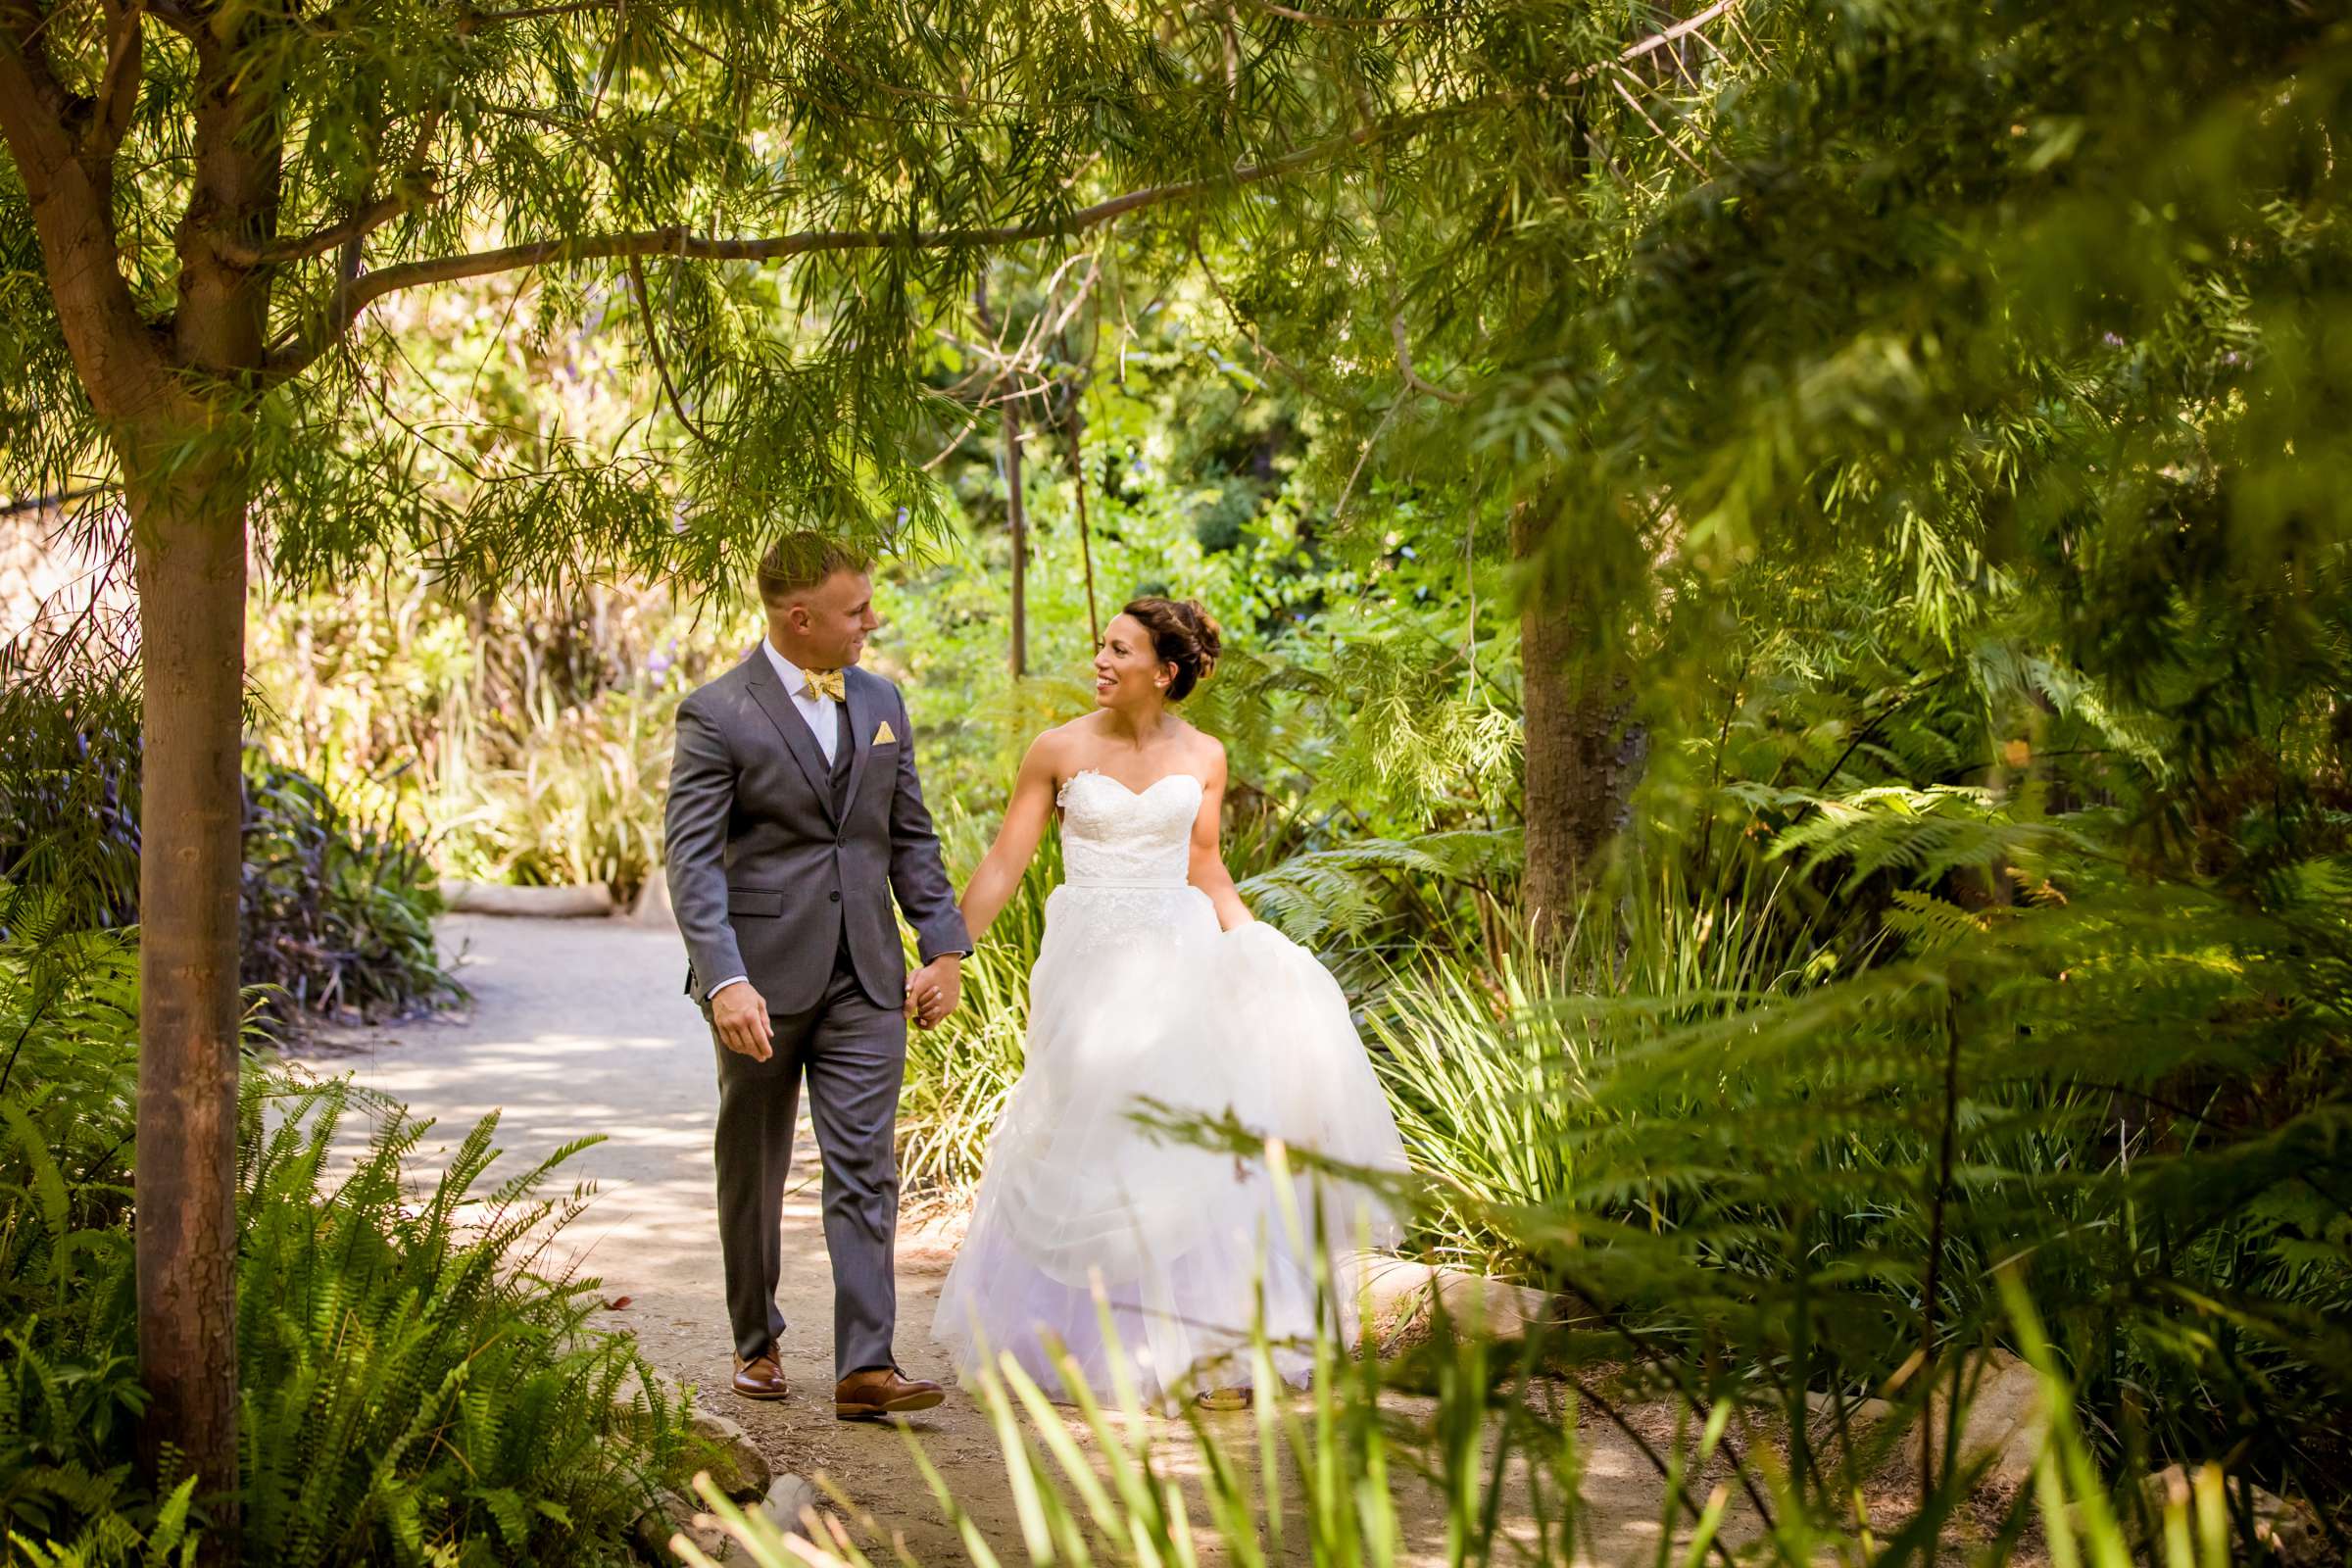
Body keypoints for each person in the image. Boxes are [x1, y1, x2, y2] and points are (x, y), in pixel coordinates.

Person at [931, 596, 1407, 1407]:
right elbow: (1005, 865)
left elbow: (1206, 866)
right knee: (1087, 1137)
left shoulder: (1206, 757)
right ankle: (1070, 1342)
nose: (1102, 662)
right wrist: (950, 955)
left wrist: (1254, 944)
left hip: (1181, 958)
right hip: (1087, 962)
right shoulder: (1058, 749)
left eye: (1120, 650)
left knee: (1182, 1149)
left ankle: (1199, 1349)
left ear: (1166, 671)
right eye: (1102, 647)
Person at [663, 532, 971, 1419]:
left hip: (866, 976)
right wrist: (723, 980)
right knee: (753, 1165)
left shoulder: (882, 701)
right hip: (758, 982)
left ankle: (866, 1366)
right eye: (855, 610)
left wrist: (941, 948)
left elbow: (908, 836)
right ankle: (755, 1341)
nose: (870, 621)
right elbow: (692, 864)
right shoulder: (716, 713)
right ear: (799, 619)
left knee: (866, 1164)